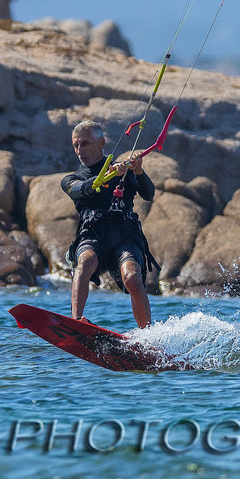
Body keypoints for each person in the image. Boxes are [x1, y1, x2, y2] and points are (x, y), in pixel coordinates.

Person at [62, 119, 159, 329]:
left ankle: (147, 335)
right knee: (84, 263)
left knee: (132, 277)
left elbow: (149, 194)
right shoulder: (71, 179)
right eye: (76, 145)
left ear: (102, 143)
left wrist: (138, 171)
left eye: (85, 143)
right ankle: (76, 321)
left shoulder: (125, 171)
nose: (79, 150)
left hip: (125, 237)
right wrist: (106, 176)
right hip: (92, 237)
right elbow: (82, 189)